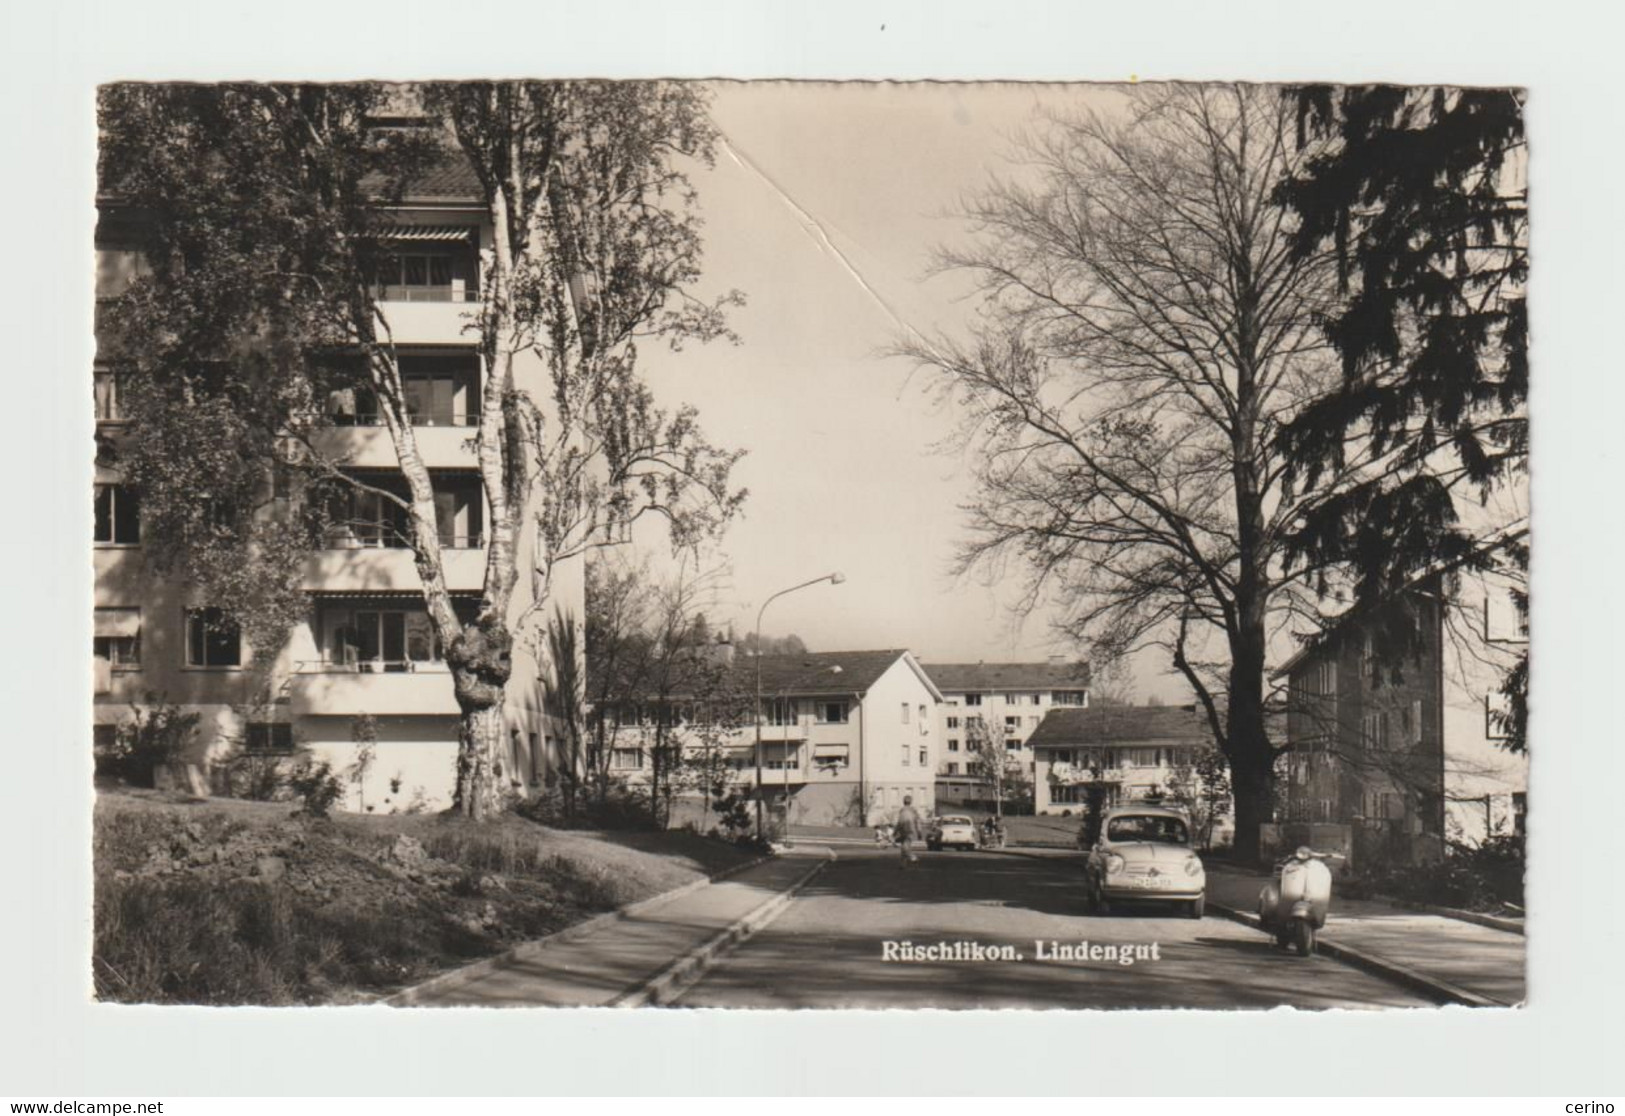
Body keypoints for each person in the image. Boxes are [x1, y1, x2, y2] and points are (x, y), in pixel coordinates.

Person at [894, 795, 923, 867]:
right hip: (910, 831)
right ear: (911, 802)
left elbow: (899, 822)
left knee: (904, 847)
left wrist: (895, 832)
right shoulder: (914, 811)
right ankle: (903, 863)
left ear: (903, 802)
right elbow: (918, 822)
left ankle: (911, 859)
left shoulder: (902, 811)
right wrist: (919, 832)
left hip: (903, 831)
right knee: (905, 847)